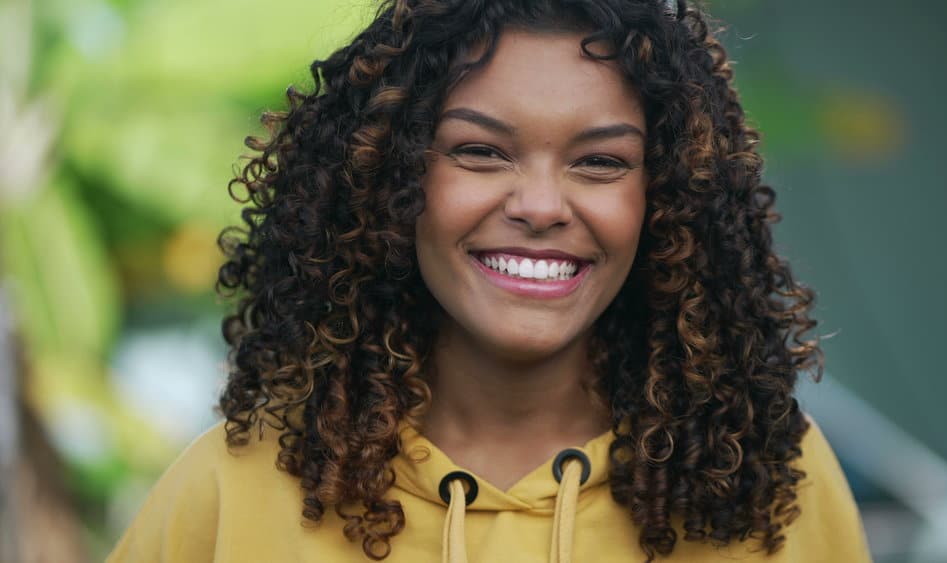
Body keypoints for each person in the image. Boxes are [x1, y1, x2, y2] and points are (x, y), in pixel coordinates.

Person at [107, 0, 872, 561]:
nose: (540, 206)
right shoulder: (232, 492)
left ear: (663, 198)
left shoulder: (769, 484)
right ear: (392, 177)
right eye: (480, 152)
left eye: (600, 161)